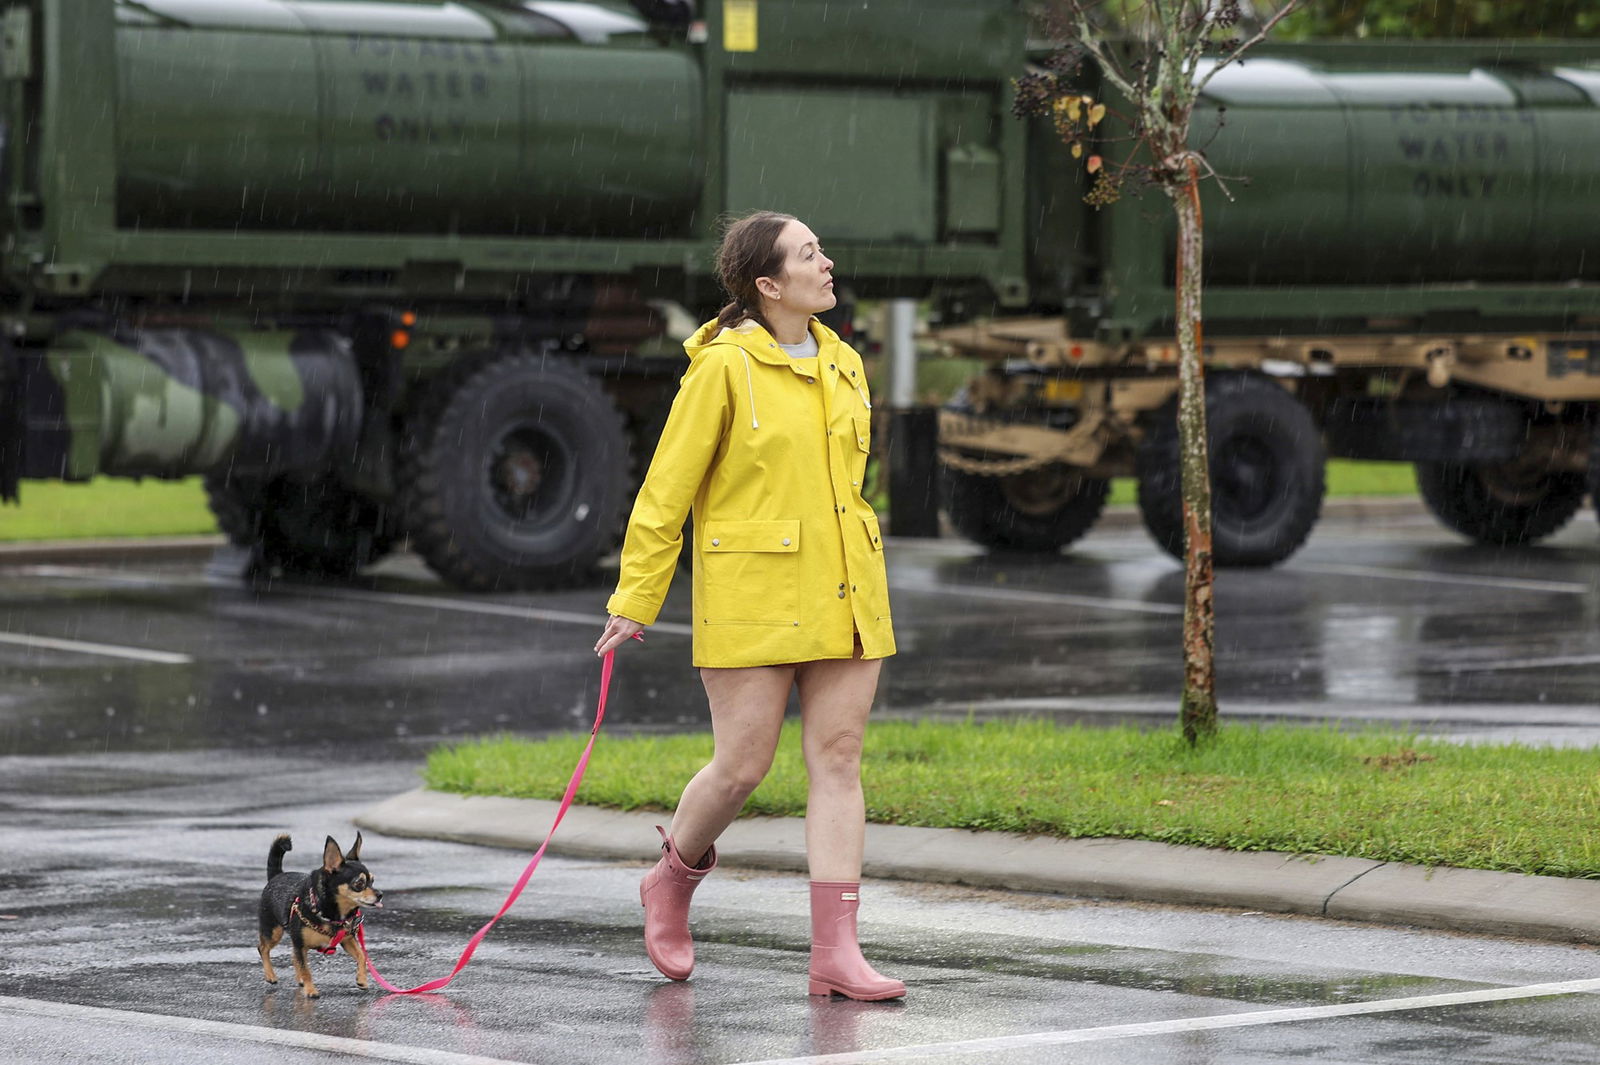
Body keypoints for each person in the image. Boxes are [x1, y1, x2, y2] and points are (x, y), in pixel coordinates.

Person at [593, 210, 904, 1001]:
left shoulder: (844, 363)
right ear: (768, 284)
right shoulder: (722, 368)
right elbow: (667, 490)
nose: (827, 263)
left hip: (846, 592)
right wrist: (636, 598)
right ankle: (670, 880)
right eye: (809, 254)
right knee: (742, 766)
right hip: (754, 595)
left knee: (838, 760)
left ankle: (836, 952)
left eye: (822, 250)